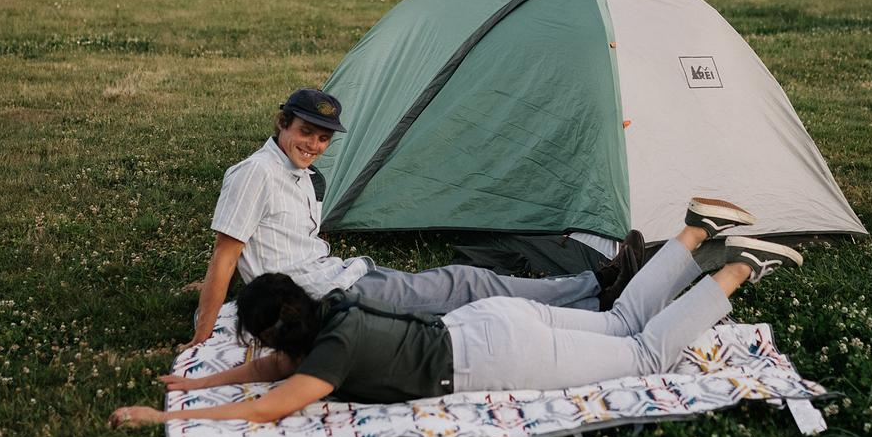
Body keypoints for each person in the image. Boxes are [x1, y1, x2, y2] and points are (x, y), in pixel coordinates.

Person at [109, 203, 799, 428]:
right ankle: (695, 233)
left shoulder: (328, 360)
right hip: (488, 322)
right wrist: (198, 384)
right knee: (623, 329)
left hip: (492, 358)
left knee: (647, 355)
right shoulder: (342, 307)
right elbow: (272, 368)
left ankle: (739, 267)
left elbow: (269, 404)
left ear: (281, 330)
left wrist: (170, 418)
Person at [180, 87, 650, 350]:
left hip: (342, 275)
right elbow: (225, 257)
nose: (315, 146)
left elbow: (260, 252)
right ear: (282, 122)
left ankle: (591, 295)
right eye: (307, 132)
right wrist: (202, 337)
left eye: (324, 139)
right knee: (467, 287)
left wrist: (230, 285)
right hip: (330, 297)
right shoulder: (255, 174)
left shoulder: (299, 172)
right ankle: (596, 288)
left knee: (460, 294)